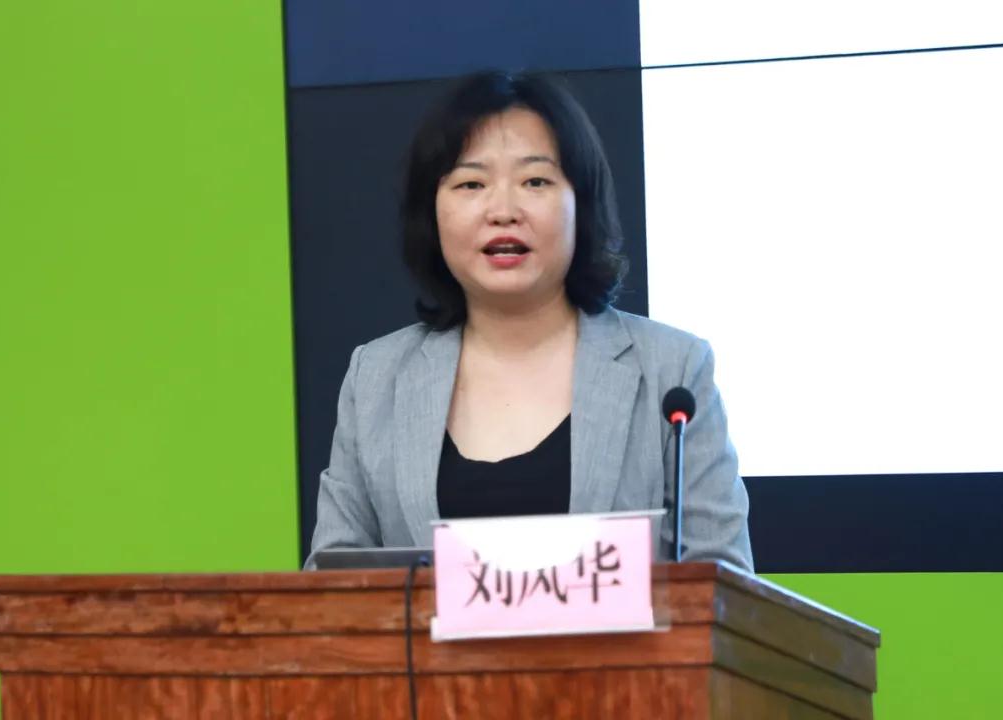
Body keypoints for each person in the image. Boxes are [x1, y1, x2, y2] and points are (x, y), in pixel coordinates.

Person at [305, 71, 752, 570]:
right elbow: (329, 587)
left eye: (535, 181)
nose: (503, 210)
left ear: (581, 203)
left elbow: (726, 588)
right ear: (431, 213)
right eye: (471, 183)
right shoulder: (376, 377)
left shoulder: (673, 370)